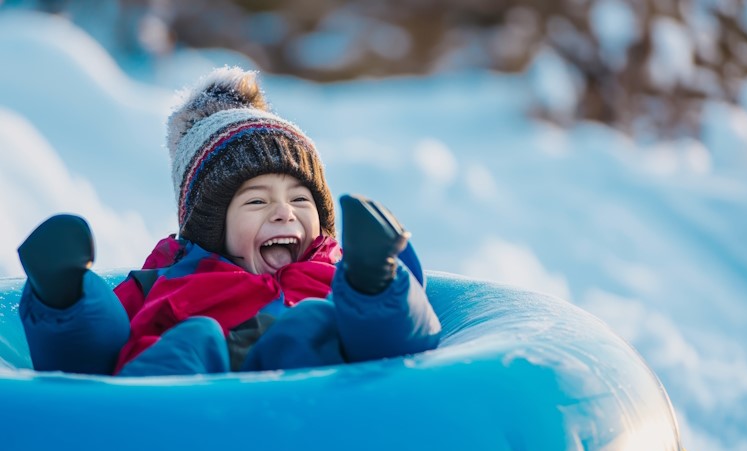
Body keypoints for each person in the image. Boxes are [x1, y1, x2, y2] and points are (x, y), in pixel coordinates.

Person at [17, 66, 441, 376]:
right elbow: (93, 359)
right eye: (256, 201)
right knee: (192, 338)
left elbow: (406, 342)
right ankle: (69, 294)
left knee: (312, 323)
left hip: (312, 411)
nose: (284, 212)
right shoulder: (162, 280)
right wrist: (66, 301)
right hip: (189, 418)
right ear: (211, 226)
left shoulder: (337, 275)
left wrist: (373, 278)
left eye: (300, 198)